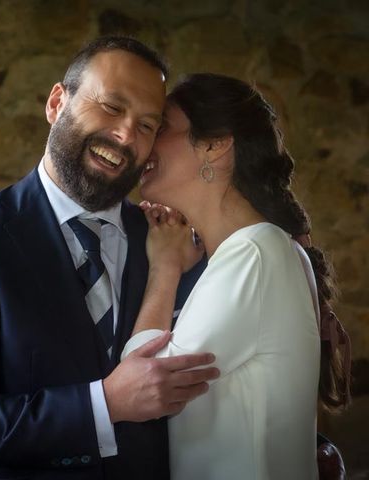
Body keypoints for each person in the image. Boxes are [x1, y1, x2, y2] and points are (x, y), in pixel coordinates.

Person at [0, 37, 219, 480]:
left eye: (147, 125)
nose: (124, 136)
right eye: (112, 107)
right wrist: (106, 404)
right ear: (58, 102)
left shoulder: (171, 240)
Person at [122, 73, 352, 479]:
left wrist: (165, 269)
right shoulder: (255, 251)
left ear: (215, 145)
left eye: (161, 129)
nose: (142, 143)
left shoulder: (254, 253)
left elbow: (145, 383)